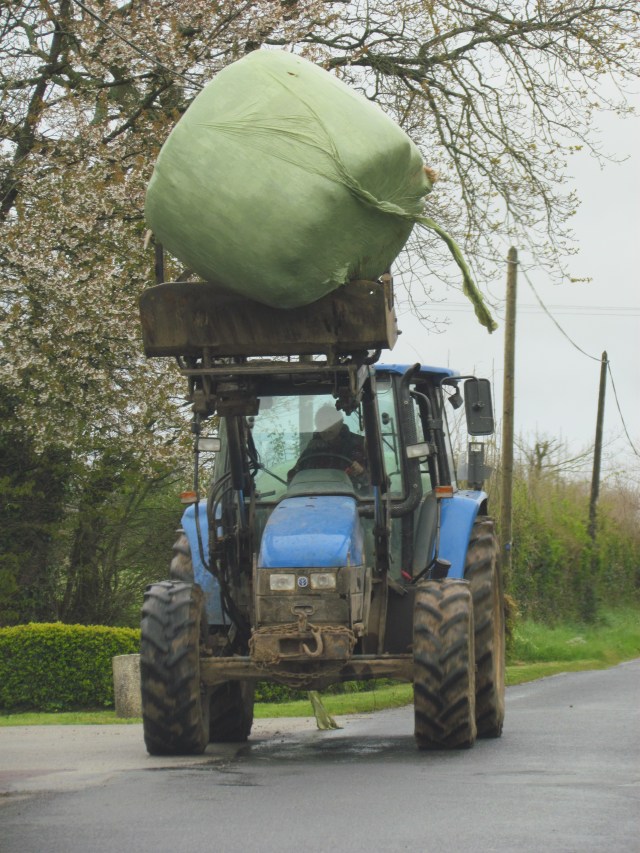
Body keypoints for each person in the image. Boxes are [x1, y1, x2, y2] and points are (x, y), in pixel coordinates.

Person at [288, 403, 368, 484]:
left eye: (330, 421)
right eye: (321, 423)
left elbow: (374, 483)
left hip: (354, 495)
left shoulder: (360, 444)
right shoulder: (312, 447)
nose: (326, 428)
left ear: (341, 422)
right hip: (314, 494)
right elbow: (292, 479)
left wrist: (361, 472)